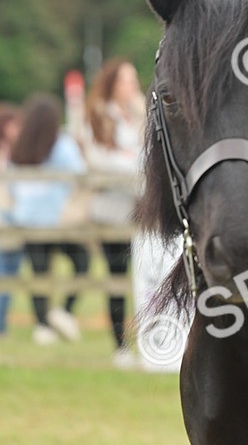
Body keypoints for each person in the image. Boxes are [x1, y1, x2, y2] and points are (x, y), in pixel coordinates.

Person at [6, 95, 86, 344]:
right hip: (55, 220)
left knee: (39, 272)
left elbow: (11, 182)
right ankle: (63, 310)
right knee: (81, 263)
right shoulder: (62, 144)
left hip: (28, 218)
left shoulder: (20, 146)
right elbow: (81, 173)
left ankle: (42, 325)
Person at [85, 58, 145, 367]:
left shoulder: (140, 113)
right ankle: (120, 344)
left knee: (146, 275)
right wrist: (132, 161)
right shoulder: (98, 116)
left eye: (133, 80)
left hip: (142, 206)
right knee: (117, 277)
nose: (131, 87)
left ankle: (150, 340)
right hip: (111, 209)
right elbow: (100, 159)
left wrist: (130, 158)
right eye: (125, 81)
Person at [0, 105, 22, 334]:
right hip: (5, 215)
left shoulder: (17, 151)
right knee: (6, 272)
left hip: (13, 214)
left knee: (9, 273)